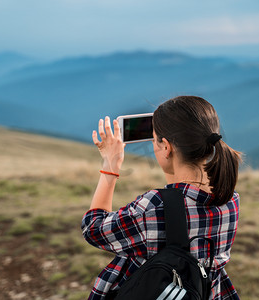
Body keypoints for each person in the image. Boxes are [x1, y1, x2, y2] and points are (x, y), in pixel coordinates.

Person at [82, 96, 242, 299]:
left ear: (166, 147)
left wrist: (110, 165)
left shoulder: (155, 206)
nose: (152, 142)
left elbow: (93, 228)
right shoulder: (230, 200)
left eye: (154, 138)